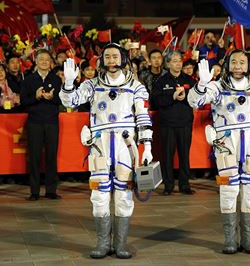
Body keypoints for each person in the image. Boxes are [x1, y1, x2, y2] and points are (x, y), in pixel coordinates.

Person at [60, 43, 153, 259]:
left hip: (125, 145)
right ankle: (102, 243)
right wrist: (68, 82)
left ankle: (120, 244)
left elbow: (143, 116)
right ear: (102, 60)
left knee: (124, 194)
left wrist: (147, 145)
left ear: (123, 59)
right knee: (99, 194)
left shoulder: (136, 87)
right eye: (107, 57)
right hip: (100, 146)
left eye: (115, 56)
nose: (112, 61)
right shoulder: (91, 85)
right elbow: (70, 101)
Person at [188, 50, 250, 254]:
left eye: (242, 62)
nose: (238, 66)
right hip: (226, 142)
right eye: (234, 62)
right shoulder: (216, 87)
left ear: (249, 65)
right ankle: (230, 240)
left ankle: (248, 239)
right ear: (227, 65)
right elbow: (194, 102)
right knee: (229, 189)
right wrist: (202, 84)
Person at [152, 51, 197, 195]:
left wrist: (185, 97)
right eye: (175, 61)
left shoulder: (190, 80)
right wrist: (172, 96)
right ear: (168, 63)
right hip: (167, 124)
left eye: (180, 61)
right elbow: (156, 101)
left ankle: (184, 185)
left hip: (184, 123)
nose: (178, 63)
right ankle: (168, 185)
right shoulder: (161, 81)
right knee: (167, 156)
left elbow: (197, 98)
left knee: (184, 155)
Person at [20, 49, 62, 201]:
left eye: (47, 59)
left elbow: (62, 100)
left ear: (50, 62)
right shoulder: (29, 80)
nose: (44, 62)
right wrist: (36, 97)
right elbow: (24, 102)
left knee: (51, 156)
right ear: (36, 61)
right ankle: (34, 191)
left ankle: (51, 190)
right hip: (34, 122)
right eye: (41, 59)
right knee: (35, 157)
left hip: (52, 122)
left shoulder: (57, 80)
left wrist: (52, 98)